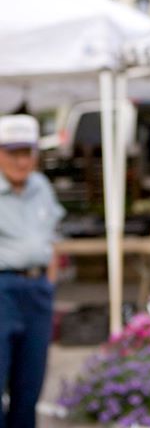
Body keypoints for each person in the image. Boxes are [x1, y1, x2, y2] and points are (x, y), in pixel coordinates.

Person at [0, 115, 64, 428]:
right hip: (3, 290)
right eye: (14, 153)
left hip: (37, 290)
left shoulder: (40, 186)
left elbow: (51, 236)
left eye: (28, 153)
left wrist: (48, 281)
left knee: (30, 382)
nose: (22, 161)